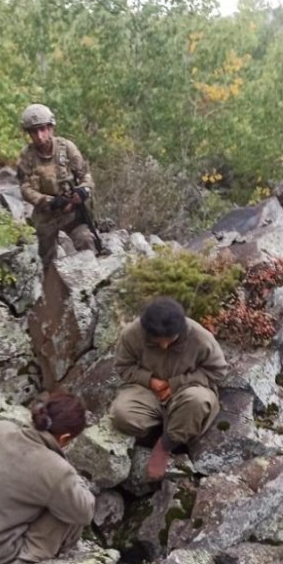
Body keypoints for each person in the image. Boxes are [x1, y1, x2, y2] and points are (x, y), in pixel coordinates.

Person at [0, 391, 95, 564]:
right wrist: (74, 480)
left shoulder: (0, 428)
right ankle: (26, 562)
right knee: (70, 507)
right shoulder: (57, 471)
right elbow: (85, 514)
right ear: (65, 438)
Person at [110, 296, 228, 481]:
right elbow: (123, 367)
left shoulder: (200, 337)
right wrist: (150, 381)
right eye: (157, 341)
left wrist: (175, 385)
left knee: (197, 401)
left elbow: (218, 371)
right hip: (148, 391)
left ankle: (166, 444)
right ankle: (159, 429)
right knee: (121, 414)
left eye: (170, 340)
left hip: (188, 390)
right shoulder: (132, 334)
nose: (164, 346)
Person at [17, 102, 97, 269]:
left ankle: (92, 283)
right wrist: (50, 201)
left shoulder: (66, 148)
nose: (39, 135)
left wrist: (83, 191)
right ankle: (52, 293)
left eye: (43, 129)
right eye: (34, 131)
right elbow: (25, 189)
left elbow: (86, 176)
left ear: (51, 128)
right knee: (48, 261)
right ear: (29, 134)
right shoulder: (27, 157)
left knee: (86, 241)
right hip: (46, 216)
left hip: (71, 213)